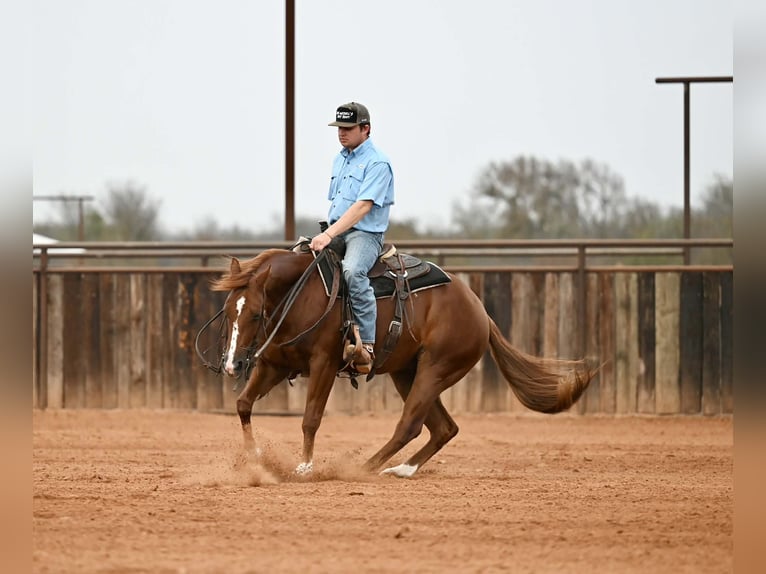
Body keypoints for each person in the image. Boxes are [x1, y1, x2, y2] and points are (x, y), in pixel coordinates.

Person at [309, 102, 395, 373]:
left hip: (365, 235)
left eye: (348, 128)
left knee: (353, 271)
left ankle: (366, 346)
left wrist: (328, 234)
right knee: (299, 262)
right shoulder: (341, 158)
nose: (341, 133)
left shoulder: (378, 163)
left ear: (365, 129)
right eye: (339, 128)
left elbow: (362, 207)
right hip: (337, 230)